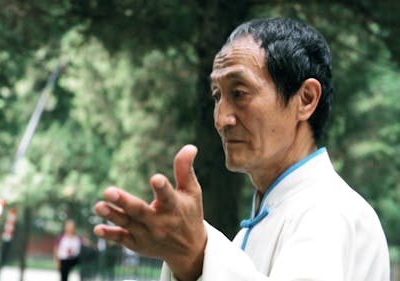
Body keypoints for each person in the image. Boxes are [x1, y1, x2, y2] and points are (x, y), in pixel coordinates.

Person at [93, 17, 390, 281]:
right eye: (217, 95)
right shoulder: (264, 221)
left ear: (306, 99)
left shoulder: (327, 212)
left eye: (239, 93)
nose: (222, 119)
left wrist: (197, 256)